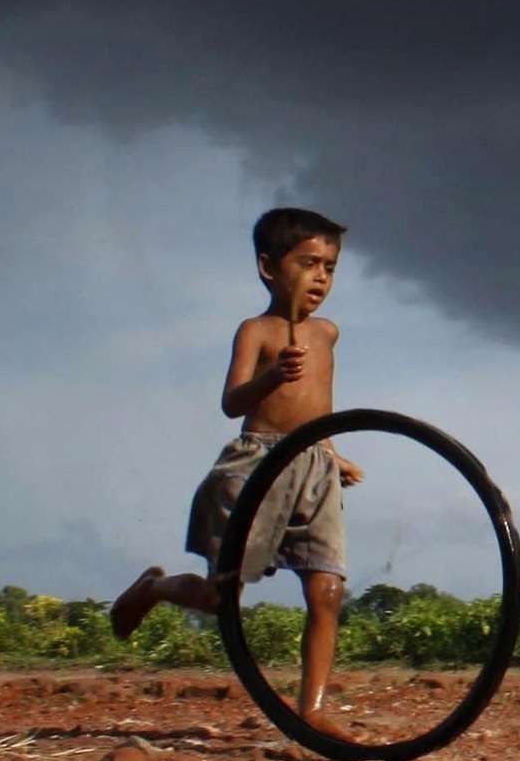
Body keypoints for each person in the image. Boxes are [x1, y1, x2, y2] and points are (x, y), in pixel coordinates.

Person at [110, 206, 366, 724]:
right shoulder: (256, 330)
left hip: (312, 463)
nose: (321, 277)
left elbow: (322, 404)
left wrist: (331, 452)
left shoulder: (327, 333)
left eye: (331, 267)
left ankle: (312, 711)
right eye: (308, 263)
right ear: (269, 268)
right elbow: (232, 402)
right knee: (219, 597)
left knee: (327, 589)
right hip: (257, 465)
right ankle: (155, 588)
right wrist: (272, 379)